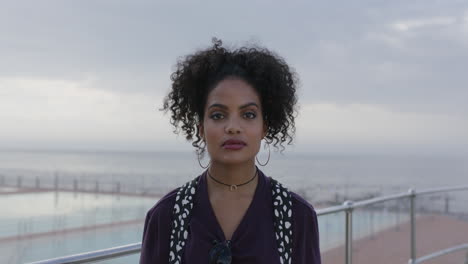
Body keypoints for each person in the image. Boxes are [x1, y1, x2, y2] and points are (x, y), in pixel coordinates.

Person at [140, 38, 321, 264]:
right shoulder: (166, 215)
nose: (233, 127)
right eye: (218, 115)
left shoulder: (297, 216)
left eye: (248, 115)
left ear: (265, 127)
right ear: (201, 128)